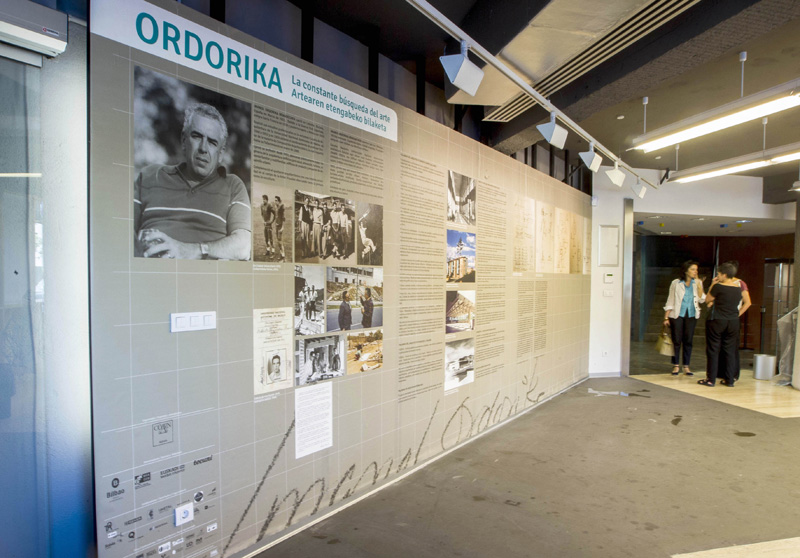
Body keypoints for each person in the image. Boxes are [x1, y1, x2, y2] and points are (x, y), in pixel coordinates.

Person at [134, 103, 251, 260]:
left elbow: (243, 246)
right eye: (197, 136)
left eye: (212, 142)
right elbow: (120, 230)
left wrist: (191, 250)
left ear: (221, 153)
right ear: (184, 141)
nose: (203, 148)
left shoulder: (233, 186)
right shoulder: (149, 175)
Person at [698, 262, 742, 387]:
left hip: (718, 320)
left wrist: (712, 284)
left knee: (713, 349)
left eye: (719, 274)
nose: (718, 276)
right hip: (733, 321)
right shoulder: (738, 288)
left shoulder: (718, 287)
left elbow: (707, 299)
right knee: (729, 350)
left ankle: (711, 379)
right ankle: (729, 380)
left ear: (724, 275)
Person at [662, 260, 705, 375]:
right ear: (686, 271)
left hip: (691, 314)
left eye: (696, 269)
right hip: (677, 314)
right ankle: (676, 365)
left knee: (688, 340)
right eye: (692, 269)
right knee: (676, 340)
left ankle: (686, 365)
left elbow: (702, 299)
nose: (695, 272)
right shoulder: (676, 283)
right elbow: (670, 299)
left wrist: (700, 285)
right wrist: (666, 317)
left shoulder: (698, 283)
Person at [272, 195, 286, 261]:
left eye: (276, 200)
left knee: (280, 241)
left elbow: (283, 218)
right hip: (276, 226)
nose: (275, 202)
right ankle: (281, 254)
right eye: (274, 200)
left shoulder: (281, 207)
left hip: (280, 226)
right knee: (278, 240)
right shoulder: (276, 207)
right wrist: (271, 222)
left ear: (279, 201)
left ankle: (283, 255)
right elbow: (275, 217)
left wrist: (282, 227)